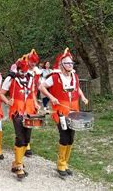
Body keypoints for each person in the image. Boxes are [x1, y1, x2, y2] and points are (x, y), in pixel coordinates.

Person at [39, 48, 89, 179]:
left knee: (71, 137)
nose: (70, 65)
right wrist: (51, 97)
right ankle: (60, 164)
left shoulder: (75, 76)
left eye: (71, 63)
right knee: (64, 136)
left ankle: (66, 163)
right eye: (67, 63)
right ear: (61, 65)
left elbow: (77, 88)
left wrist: (83, 97)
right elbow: (41, 87)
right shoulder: (55, 77)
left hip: (74, 110)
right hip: (60, 110)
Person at [0, 55, 40, 180]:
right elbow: (1, 93)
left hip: (29, 110)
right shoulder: (11, 79)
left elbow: (33, 93)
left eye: (26, 69)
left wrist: (36, 103)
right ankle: (19, 165)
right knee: (20, 136)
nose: (24, 72)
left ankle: (17, 161)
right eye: (21, 70)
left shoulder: (31, 78)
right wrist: (7, 102)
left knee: (27, 139)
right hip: (17, 110)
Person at [25, 49, 42, 157]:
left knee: (30, 122)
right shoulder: (22, 71)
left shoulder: (37, 73)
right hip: (22, 99)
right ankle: (23, 144)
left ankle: (27, 144)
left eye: (35, 62)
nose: (33, 64)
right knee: (22, 121)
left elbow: (37, 87)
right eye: (31, 61)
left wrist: (36, 101)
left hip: (32, 99)